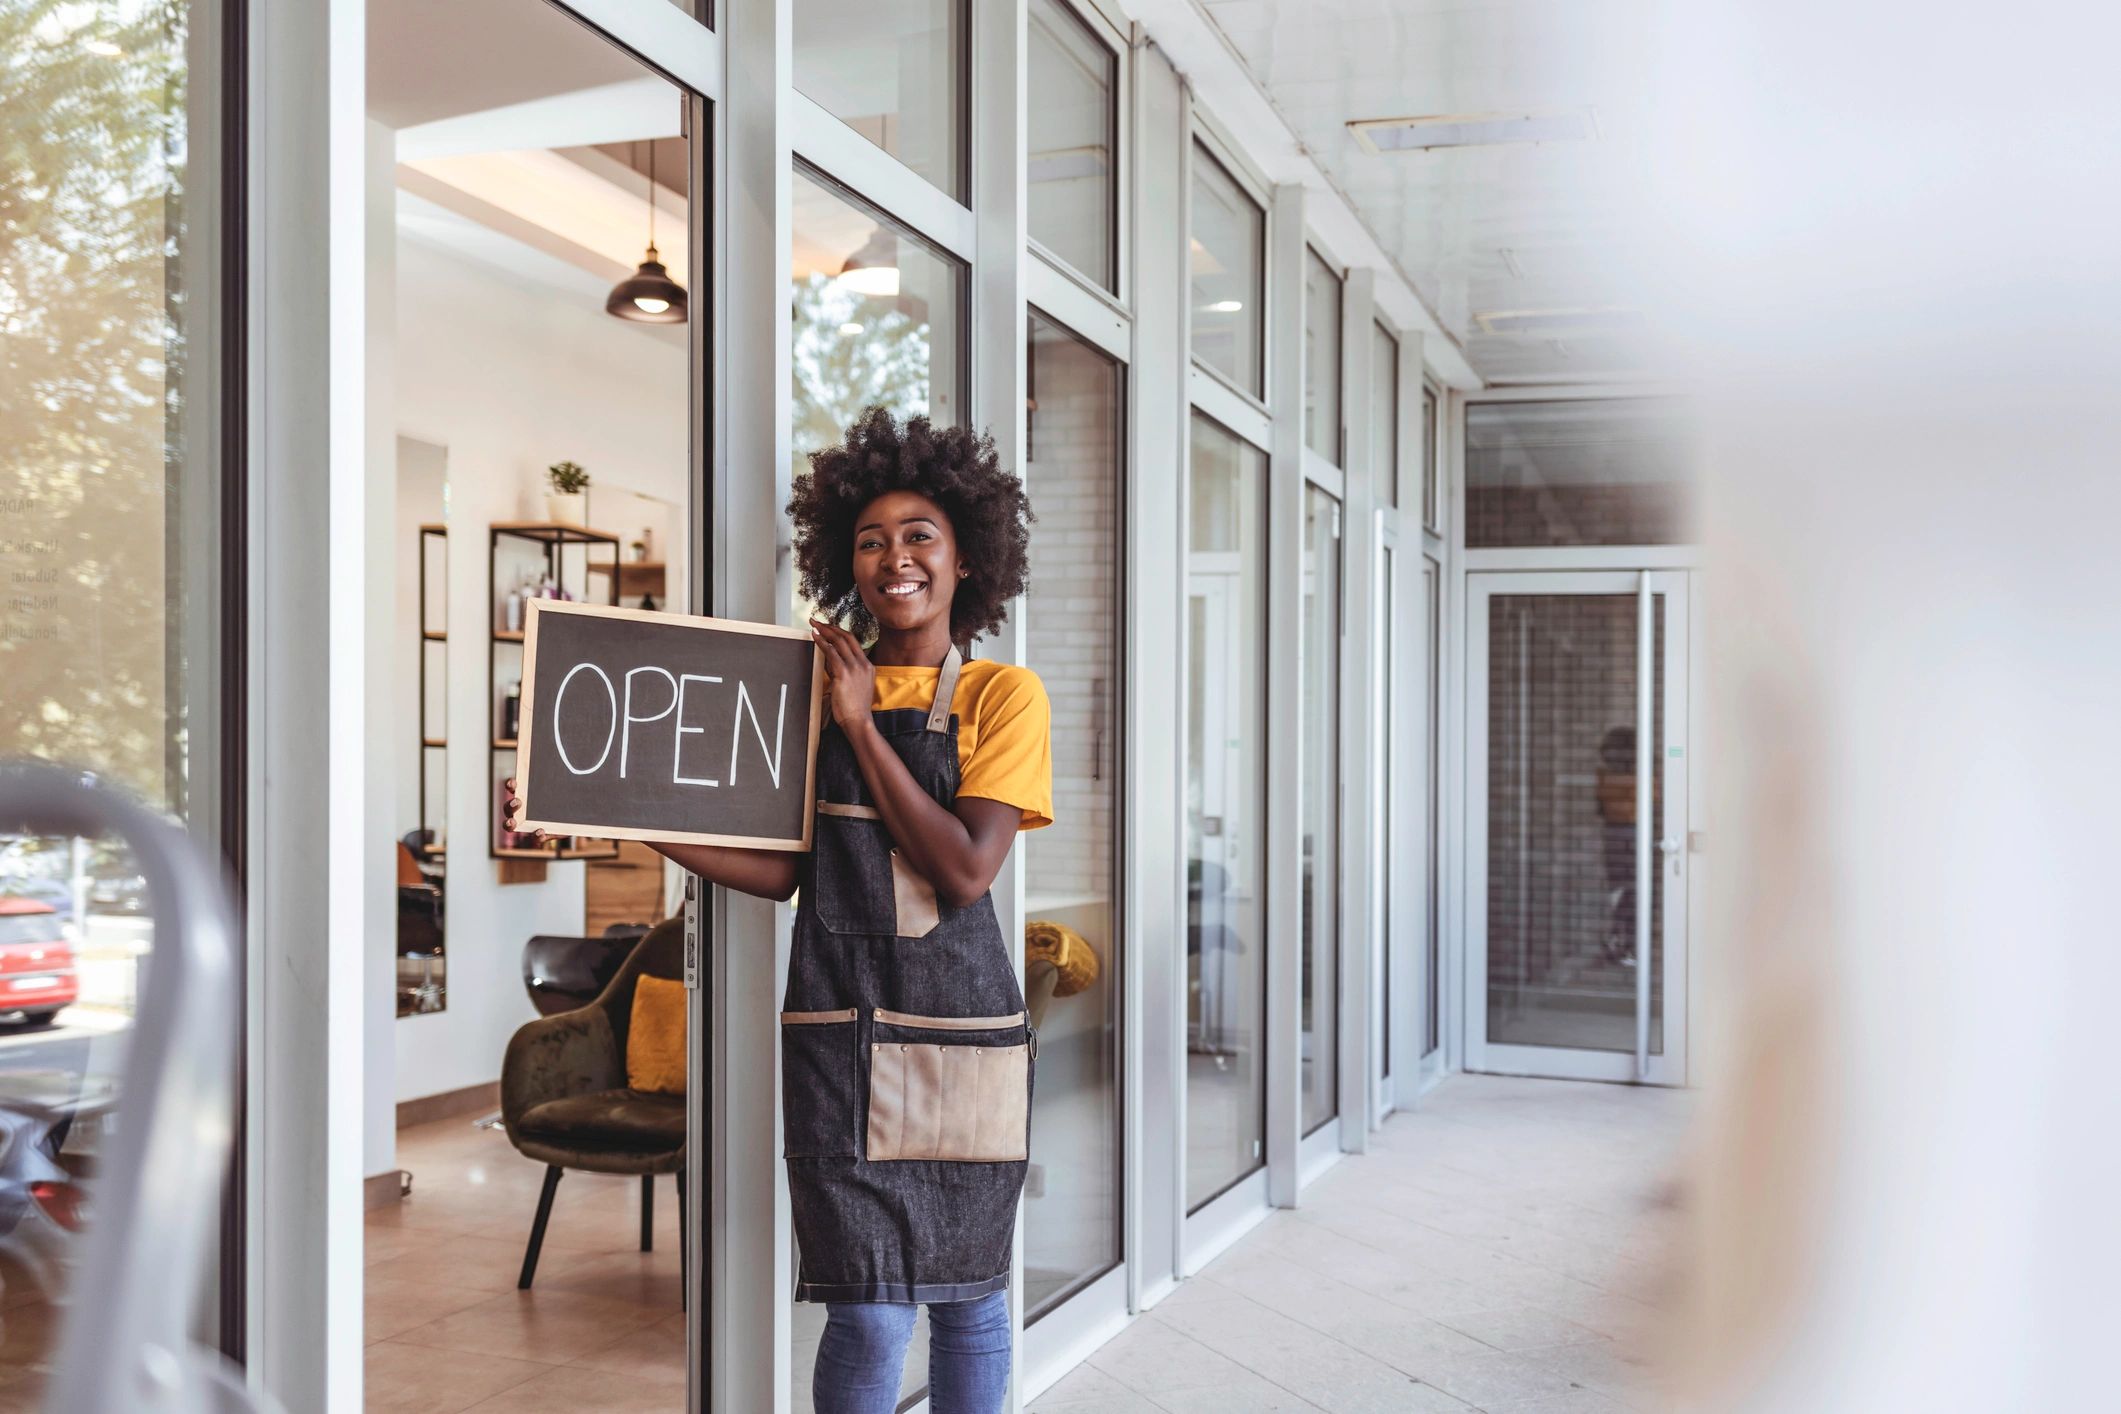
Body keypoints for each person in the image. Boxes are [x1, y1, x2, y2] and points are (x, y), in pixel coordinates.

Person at [507, 406, 1048, 1413]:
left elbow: (967, 867)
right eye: (872, 538)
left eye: (920, 533)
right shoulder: (811, 692)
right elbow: (787, 869)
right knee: (868, 1309)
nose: (897, 557)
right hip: (840, 1041)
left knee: (970, 1299)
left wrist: (863, 729)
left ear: (968, 556)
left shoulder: (1002, 698)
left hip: (962, 1041)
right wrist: (613, 805)